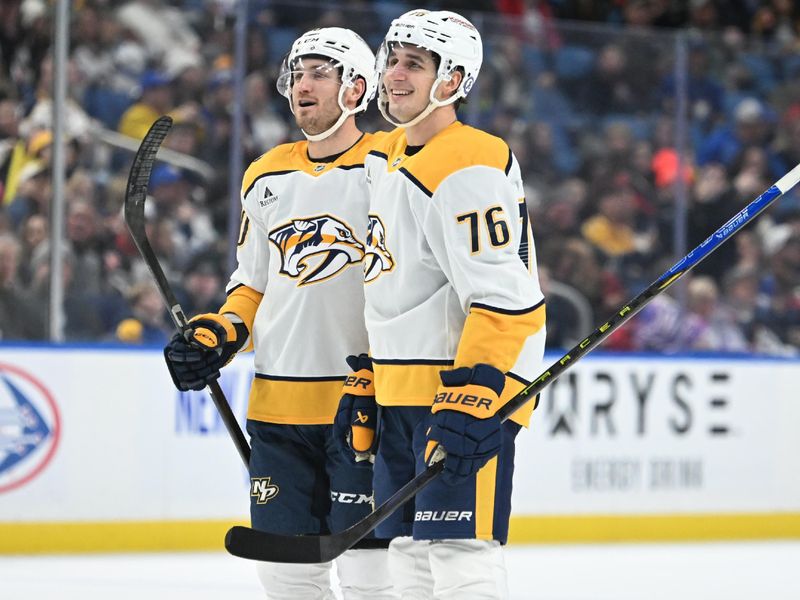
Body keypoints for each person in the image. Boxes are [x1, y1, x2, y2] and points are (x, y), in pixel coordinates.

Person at [163, 28, 396, 600]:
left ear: (357, 88)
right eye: (297, 74)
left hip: (366, 404)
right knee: (287, 579)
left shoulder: (391, 165)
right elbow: (252, 284)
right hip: (277, 408)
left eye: (320, 72)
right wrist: (218, 333)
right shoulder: (265, 173)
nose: (302, 86)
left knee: (371, 577)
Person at [333, 10, 547, 600]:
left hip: (459, 390)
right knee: (406, 556)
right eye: (392, 60)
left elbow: (507, 299)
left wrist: (478, 390)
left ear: (451, 81)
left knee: (460, 557)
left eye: (414, 64)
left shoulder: (468, 161)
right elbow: (395, 281)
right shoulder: (389, 154)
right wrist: (372, 370)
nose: (394, 74)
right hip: (401, 389)